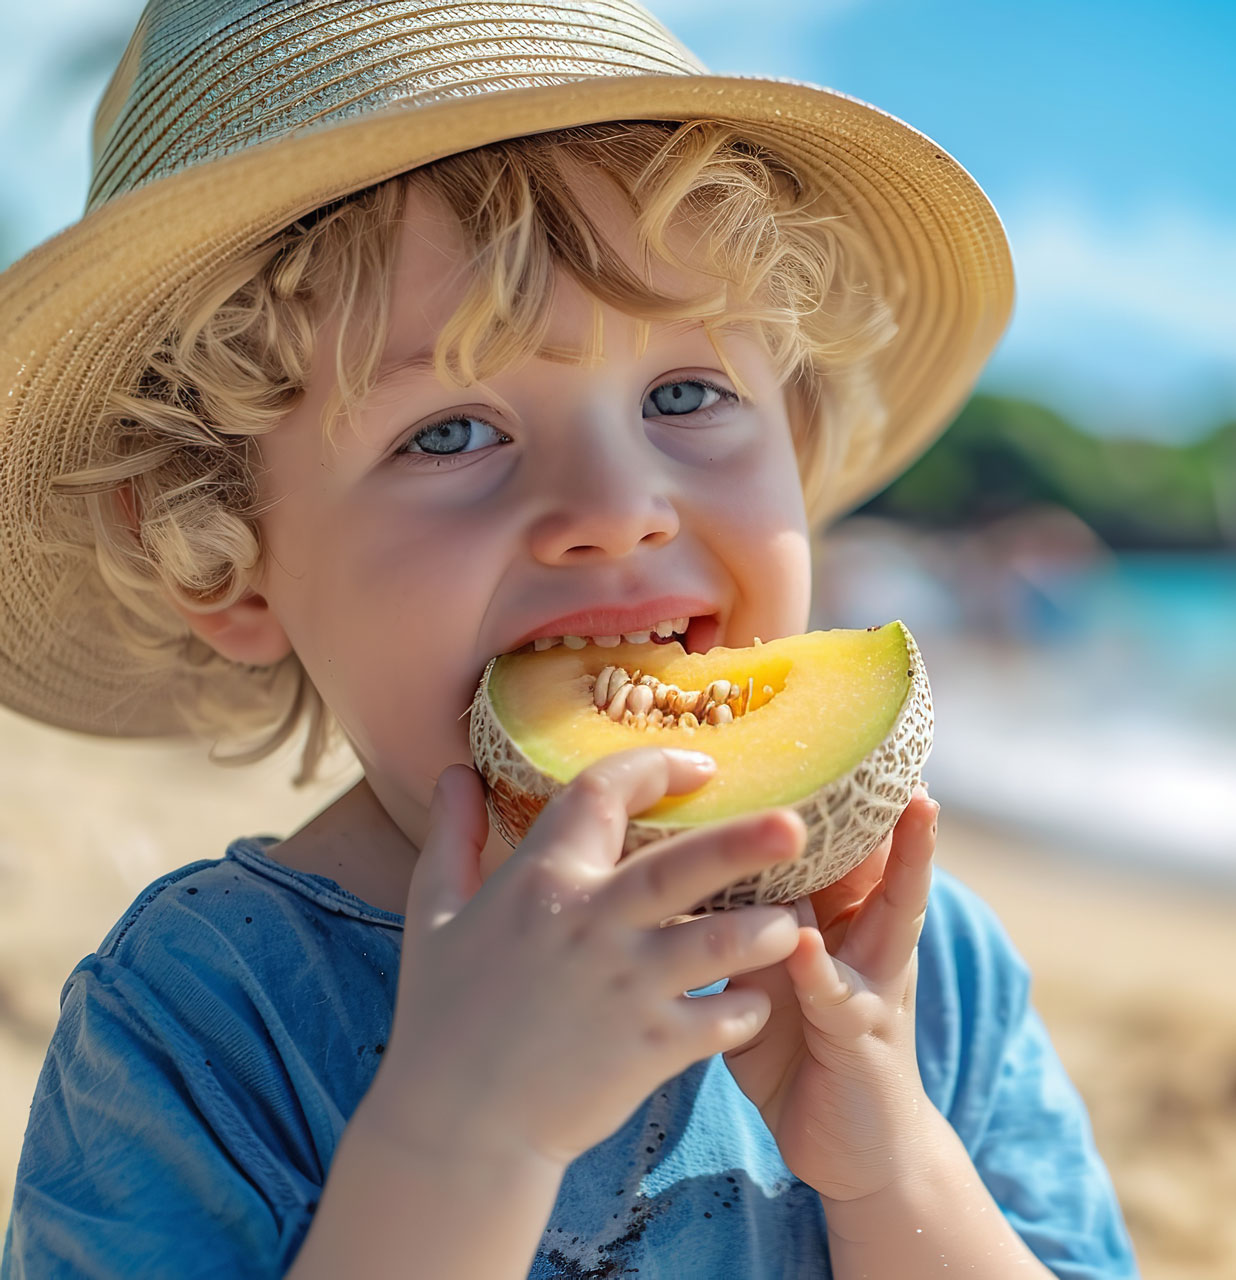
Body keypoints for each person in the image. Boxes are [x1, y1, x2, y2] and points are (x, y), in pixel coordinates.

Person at [0, 1, 1138, 1276]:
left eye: (689, 393)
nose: (613, 510)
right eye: (449, 431)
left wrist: (895, 1167)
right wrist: (462, 1138)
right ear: (222, 553)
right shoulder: (205, 1015)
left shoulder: (929, 973)